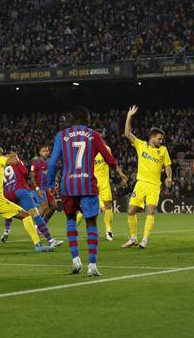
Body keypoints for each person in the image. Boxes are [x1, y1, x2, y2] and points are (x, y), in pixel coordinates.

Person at [47, 106, 128, 276]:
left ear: (72, 119)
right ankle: (92, 265)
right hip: (87, 184)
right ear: (87, 118)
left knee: (70, 219)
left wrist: (49, 184)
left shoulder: (61, 136)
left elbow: (53, 163)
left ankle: (75, 260)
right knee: (91, 222)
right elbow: (109, 158)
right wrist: (119, 172)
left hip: (68, 185)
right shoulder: (94, 135)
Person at [122, 105, 172, 249]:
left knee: (150, 210)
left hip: (154, 186)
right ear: (152, 137)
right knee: (131, 211)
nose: (161, 141)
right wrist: (129, 116)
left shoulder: (163, 150)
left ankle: (144, 239)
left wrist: (169, 177)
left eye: (162, 139)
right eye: (159, 139)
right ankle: (133, 238)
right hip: (140, 183)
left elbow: (168, 166)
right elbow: (127, 133)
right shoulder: (141, 145)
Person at [1, 152, 63, 247]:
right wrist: (18, 160)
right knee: (35, 214)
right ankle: (50, 240)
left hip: (8, 192)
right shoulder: (15, 160)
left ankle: (6, 230)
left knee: (11, 212)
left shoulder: (2, 165)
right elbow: (25, 172)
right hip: (20, 189)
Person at [76, 140, 118, 241]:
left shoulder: (107, 149)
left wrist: (119, 174)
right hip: (91, 182)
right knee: (85, 208)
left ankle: (108, 231)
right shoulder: (87, 150)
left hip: (104, 184)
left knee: (107, 206)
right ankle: (73, 228)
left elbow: (111, 162)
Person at [30, 145, 57, 224]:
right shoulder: (36, 162)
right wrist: (37, 189)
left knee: (54, 206)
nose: (46, 152)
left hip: (47, 188)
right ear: (40, 152)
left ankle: (43, 224)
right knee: (44, 206)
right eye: (44, 151)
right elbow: (32, 177)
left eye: (47, 151)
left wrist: (54, 183)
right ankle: (37, 226)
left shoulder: (49, 162)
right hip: (38, 188)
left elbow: (50, 175)